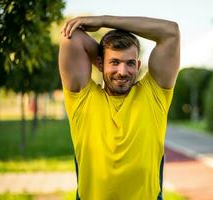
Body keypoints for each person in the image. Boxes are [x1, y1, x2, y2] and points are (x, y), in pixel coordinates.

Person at [59, 15, 180, 200]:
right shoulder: (82, 98)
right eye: (115, 62)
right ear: (99, 63)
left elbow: (171, 32)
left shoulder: (154, 93)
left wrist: (104, 21)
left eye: (130, 63)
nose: (123, 72)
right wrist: (103, 57)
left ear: (138, 65)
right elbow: (72, 35)